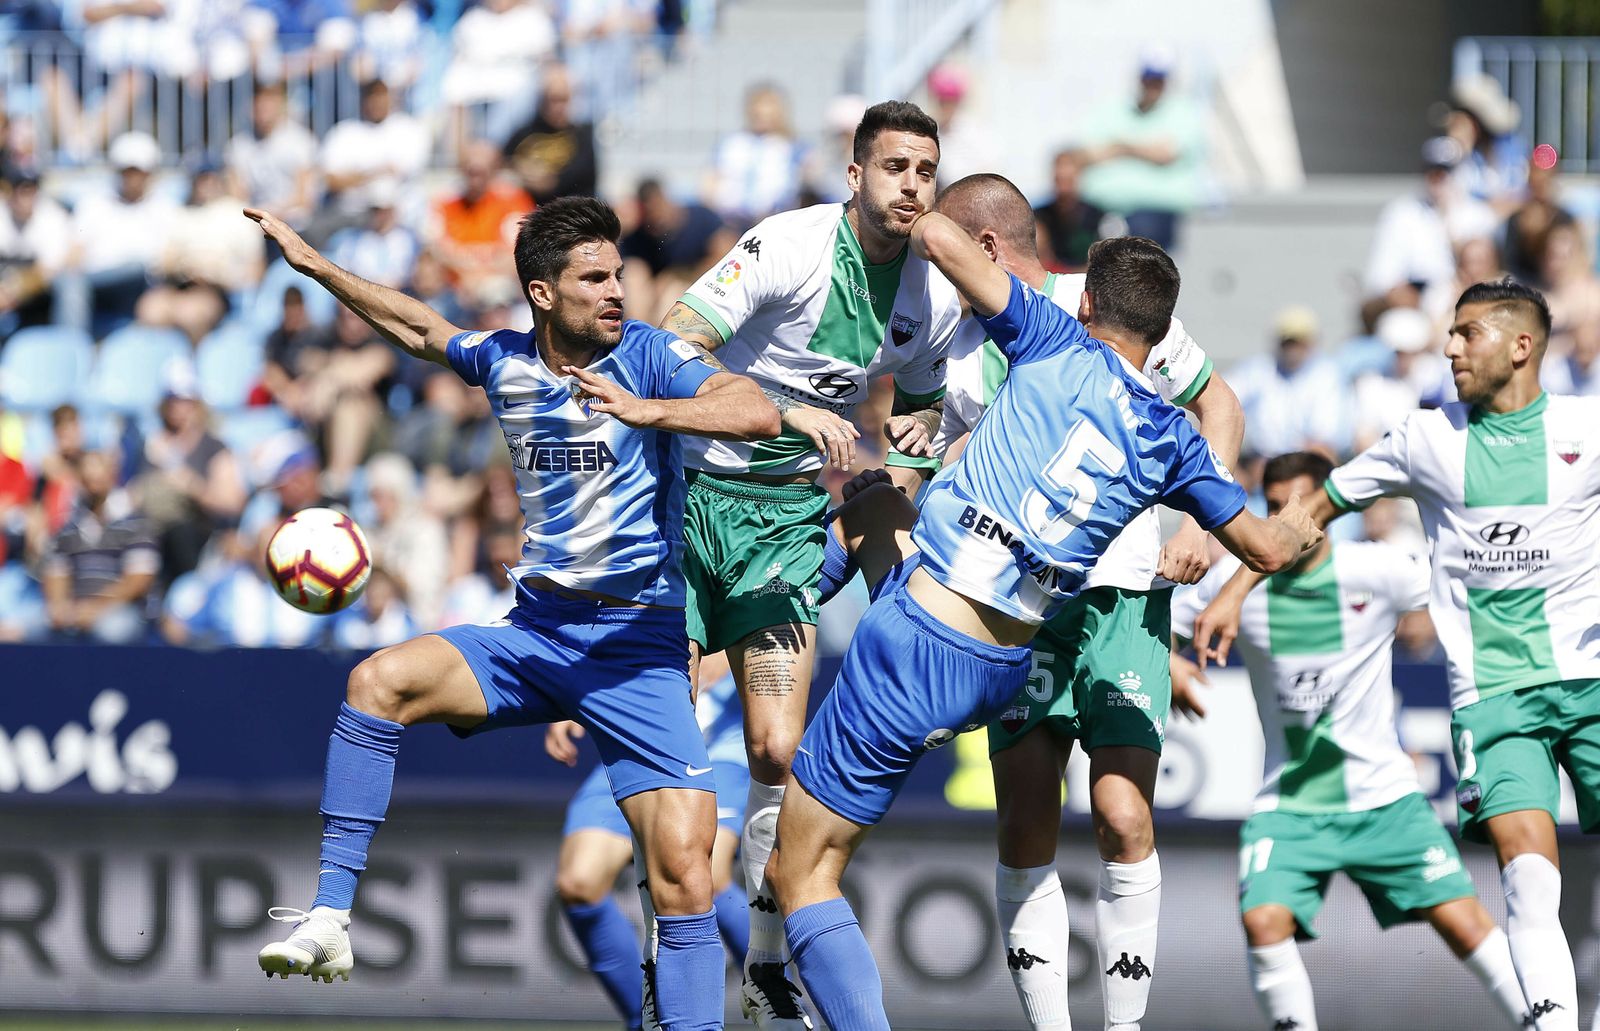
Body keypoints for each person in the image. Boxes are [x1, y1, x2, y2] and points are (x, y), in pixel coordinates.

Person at [761, 208, 1322, 1031]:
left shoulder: (1051, 338)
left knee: (802, 870)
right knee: (877, 506)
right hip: (1001, 662)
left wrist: (905, 198)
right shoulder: (1174, 441)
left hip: (924, 641)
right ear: (1162, 335)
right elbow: (1267, 548)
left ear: (1086, 305)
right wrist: (1303, 522)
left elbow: (946, 241)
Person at [245, 196, 778, 1031]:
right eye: (593, 278)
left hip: (639, 647)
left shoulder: (648, 357)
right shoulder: (503, 360)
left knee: (683, 874)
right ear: (541, 293)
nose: (616, 291)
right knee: (376, 680)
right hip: (535, 634)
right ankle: (331, 917)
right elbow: (419, 326)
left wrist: (653, 411)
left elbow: (754, 408)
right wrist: (316, 267)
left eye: (618, 275)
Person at [1190, 278, 1600, 1031]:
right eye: (1447, 333)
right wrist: (1234, 588)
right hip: (1496, 696)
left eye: (1466, 332)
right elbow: (1308, 512)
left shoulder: (1589, 428)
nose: (1449, 348)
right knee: (1529, 886)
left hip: (1591, 681)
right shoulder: (1424, 437)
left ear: (1521, 344)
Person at [885, 175, 1245, 1031]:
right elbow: (946, 464)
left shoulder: (1100, 308)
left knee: (1124, 816)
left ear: (984, 250)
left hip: (1122, 594)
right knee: (1027, 824)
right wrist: (917, 454)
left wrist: (1207, 519)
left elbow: (1217, 402)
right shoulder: (949, 344)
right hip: (1017, 610)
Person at [657, 99, 963, 1029]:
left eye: (926, 170)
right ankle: (662, 985)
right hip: (683, 501)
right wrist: (779, 414)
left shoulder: (930, 292)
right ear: (855, 175)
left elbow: (916, 419)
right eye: (895, 167)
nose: (912, 185)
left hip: (787, 518)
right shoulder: (786, 245)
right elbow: (672, 338)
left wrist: (913, 446)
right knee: (667, 781)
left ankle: (762, 963)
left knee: (776, 748)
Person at [1170, 451, 1527, 1031]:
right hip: (1290, 802)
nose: (1288, 518)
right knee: (1263, 922)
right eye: (1274, 505)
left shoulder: (1378, 570)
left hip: (1384, 797)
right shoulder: (1232, 587)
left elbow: (1470, 587)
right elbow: (1152, 629)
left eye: (1301, 505)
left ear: (1329, 508)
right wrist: (1169, 663)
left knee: (1466, 924)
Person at [546, 651, 751, 1031]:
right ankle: (641, 1021)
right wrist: (571, 692)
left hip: (720, 752)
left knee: (707, 874)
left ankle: (772, 993)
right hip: (637, 746)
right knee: (578, 882)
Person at [1076, 45, 1203, 251]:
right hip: (1100, 208)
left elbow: (1166, 154)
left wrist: (1119, 147)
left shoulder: (1182, 113)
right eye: (1148, 78)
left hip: (1154, 211)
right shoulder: (1112, 109)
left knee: (1139, 263)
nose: (1152, 85)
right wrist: (1143, 150)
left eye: (1158, 80)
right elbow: (1086, 154)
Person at [503, 62, 598, 206]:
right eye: (554, 100)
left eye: (564, 100)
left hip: (568, 214)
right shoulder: (524, 133)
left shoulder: (582, 136)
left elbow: (565, 181)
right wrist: (521, 171)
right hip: (528, 212)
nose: (559, 107)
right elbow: (503, 166)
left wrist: (535, 176)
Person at [1033, 148, 1103, 272]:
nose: (1064, 190)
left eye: (1068, 180)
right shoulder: (1039, 217)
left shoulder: (1097, 217)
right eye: (1060, 180)